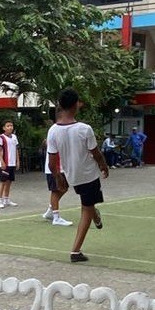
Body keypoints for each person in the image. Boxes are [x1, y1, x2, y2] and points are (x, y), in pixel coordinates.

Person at [46, 88, 110, 262]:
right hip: (88, 174)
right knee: (86, 209)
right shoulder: (84, 129)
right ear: (76, 105)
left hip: (72, 175)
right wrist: (104, 166)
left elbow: (52, 161)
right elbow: (95, 153)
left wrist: (58, 177)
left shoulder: (53, 130)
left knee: (88, 204)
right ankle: (75, 251)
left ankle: (94, 213)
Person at [0, 119, 20, 209]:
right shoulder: (1, 137)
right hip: (5, 163)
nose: (10, 127)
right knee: (3, 181)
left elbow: (16, 149)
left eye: (11, 125)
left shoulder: (14, 137)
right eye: (8, 126)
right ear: (4, 128)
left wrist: (18, 161)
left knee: (9, 182)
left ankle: (7, 199)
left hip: (12, 163)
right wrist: (2, 161)